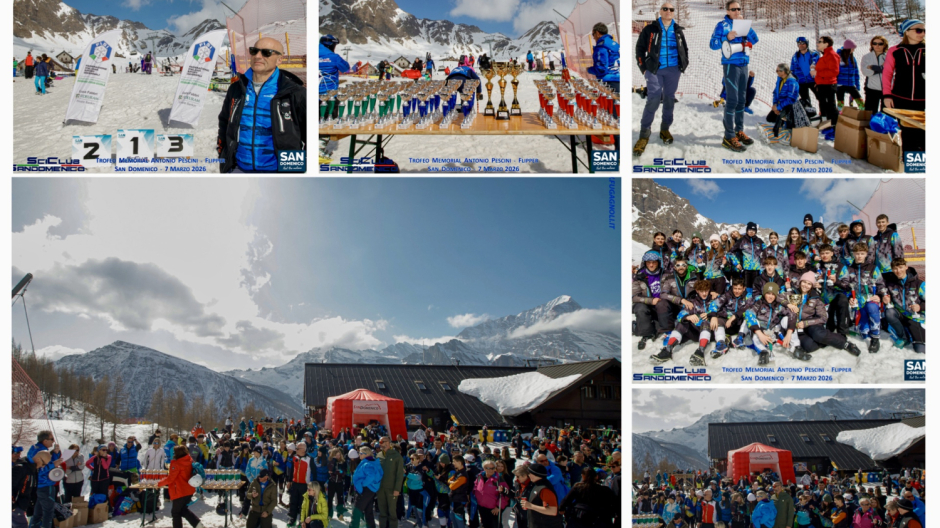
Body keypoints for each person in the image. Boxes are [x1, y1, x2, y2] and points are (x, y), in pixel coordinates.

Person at [218, 36, 305, 173]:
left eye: (266, 52)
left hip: (280, 174)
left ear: (279, 59)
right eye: (254, 51)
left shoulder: (294, 92)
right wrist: (223, 154)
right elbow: (225, 122)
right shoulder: (236, 89)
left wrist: (295, 170)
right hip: (237, 169)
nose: (258, 56)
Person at [634, 2, 689, 155]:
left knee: (670, 99)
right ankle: (644, 134)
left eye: (671, 9)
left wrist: (684, 63)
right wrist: (644, 69)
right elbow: (639, 49)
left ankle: (665, 129)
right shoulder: (650, 29)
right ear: (660, 11)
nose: (668, 11)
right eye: (665, 9)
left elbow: (684, 48)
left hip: (673, 70)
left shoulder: (678, 30)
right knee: (653, 98)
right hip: (654, 70)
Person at [710, 0, 759, 152]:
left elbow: (754, 40)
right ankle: (728, 136)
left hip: (744, 64)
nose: (737, 11)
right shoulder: (722, 25)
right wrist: (727, 38)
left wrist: (747, 26)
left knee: (742, 100)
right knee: (732, 100)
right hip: (730, 65)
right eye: (734, 9)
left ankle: (739, 131)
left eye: (739, 9)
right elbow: (713, 44)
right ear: (728, 11)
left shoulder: (743, 24)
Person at [882, 19, 925, 156]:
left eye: (924, 31)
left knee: (924, 133)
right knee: (908, 132)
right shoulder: (895, 51)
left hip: (924, 100)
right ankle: (912, 166)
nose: (922, 33)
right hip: (901, 98)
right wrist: (887, 95)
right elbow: (887, 74)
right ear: (907, 32)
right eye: (919, 30)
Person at [837, 243, 885, 352]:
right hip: (857, 302)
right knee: (864, 333)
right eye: (857, 253)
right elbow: (845, 286)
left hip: (870, 300)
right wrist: (849, 297)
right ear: (853, 254)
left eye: (862, 254)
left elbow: (881, 284)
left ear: (866, 254)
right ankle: (865, 325)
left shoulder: (873, 268)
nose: (859, 256)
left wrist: (879, 295)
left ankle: (875, 338)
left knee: (872, 307)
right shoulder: (848, 269)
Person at [587, 22, 620, 156]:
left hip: (608, 82)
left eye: (593, 34)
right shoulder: (614, 44)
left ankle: (619, 151)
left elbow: (601, 68)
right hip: (618, 79)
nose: (593, 37)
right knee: (617, 115)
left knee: (613, 116)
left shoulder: (602, 46)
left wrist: (588, 69)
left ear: (597, 33)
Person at [882, 258, 925, 352]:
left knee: (920, 350)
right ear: (892, 270)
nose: (898, 271)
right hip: (900, 315)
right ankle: (903, 337)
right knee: (889, 312)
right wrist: (885, 300)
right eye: (895, 268)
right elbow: (885, 296)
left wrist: (920, 307)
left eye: (901, 267)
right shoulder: (890, 284)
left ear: (906, 267)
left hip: (915, 318)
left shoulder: (919, 284)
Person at [157, 445, 204, 528]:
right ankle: (198, 525)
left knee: (175, 513)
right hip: (189, 490)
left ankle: (197, 525)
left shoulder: (176, 463)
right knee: (183, 510)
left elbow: (171, 478)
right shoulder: (189, 460)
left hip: (179, 491)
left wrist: (159, 483)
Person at [27, 431, 60, 528]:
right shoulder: (41, 452)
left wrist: (55, 453)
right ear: (45, 440)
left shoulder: (34, 448)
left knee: (38, 512)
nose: (53, 442)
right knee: (48, 512)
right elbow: (41, 469)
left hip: (39, 485)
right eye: (51, 439)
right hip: (45, 484)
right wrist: (54, 464)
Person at [767, 64, 811, 136]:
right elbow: (775, 93)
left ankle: (785, 125)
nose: (777, 72)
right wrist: (775, 105)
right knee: (770, 118)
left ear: (784, 71)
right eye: (777, 70)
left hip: (791, 107)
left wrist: (778, 107)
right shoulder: (780, 80)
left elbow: (791, 99)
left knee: (787, 122)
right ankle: (782, 120)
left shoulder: (792, 82)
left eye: (779, 70)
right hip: (781, 105)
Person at [519, 463, 561, 528]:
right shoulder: (537, 485)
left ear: (536, 474)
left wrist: (530, 505)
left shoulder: (545, 489)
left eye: (530, 473)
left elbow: (552, 511)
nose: (529, 475)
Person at [350, 446, 383, 528]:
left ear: (366, 454)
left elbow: (371, 476)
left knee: (356, 512)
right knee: (368, 511)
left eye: (360, 453)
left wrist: (362, 484)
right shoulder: (370, 462)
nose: (359, 455)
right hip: (369, 490)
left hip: (365, 490)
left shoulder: (368, 463)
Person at [812, 36, 840, 129]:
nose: (818, 43)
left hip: (828, 85)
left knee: (830, 107)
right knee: (823, 106)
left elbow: (834, 72)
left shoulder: (832, 55)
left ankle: (834, 127)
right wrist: (818, 80)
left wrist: (817, 73)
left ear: (826, 44)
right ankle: (826, 125)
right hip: (822, 84)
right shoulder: (825, 55)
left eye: (820, 42)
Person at [377, 437, 404, 528]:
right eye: (379, 442)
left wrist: (397, 489)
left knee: (392, 512)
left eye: (382, 441)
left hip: (392, 489)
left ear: (388, 443)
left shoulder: (396, 456)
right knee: (382, 511)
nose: (380, 443)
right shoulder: (379, 455)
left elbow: (400, 474)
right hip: (380, 489)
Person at [287, 441, 313, 526]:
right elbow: (291, 471)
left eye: (297, 448)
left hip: (305, 485)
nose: (296, 450)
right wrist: (289, 481)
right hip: (295, 483)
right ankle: (292, 518)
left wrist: (312, 485)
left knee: (303, 503)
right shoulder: (294, 458)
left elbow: (314, 473)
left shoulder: (309, 459)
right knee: (293, 501)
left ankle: (302, 521)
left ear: (303, 450)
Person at [860, 36, 888, 113]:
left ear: (884, 45)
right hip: (872, 89)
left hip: (887, 89)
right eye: (874, 43)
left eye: (880, 44)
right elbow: (866, 72)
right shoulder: (867, 57)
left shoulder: (889, 57)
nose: (877, 46)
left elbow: (891, 71)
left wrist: (873, 67)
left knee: (886, 113)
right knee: (870, 113)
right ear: (871, 45)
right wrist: (881, 68)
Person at [791, 37, 820, 109]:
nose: (801, 45)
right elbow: (792, 69)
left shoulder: (813, 54)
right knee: (805, 99)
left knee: (820, 96)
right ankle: (810, 113)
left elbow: (816, 63)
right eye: (799, 43)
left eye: (803, 43)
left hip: (813, 80)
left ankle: (824, 113)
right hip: (801, 81)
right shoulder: (795, 56)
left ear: (807, 44)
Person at [836, 40, 863, 108]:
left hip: (851, 84)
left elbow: (856, 72)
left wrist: (857, 85)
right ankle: (839, 116)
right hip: (840, 84)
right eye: (852, 48)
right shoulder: (838, 57)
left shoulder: (852, 58)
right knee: (840, 104)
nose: (853, 50)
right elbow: (835, 70)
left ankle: (864, 115)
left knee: (861, 103)